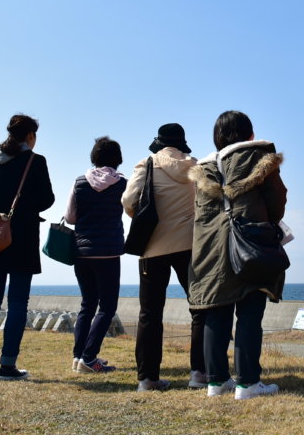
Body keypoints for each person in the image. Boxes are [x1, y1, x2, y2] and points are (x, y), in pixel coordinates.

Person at [188, 111, 287, 400]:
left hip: (210, 250)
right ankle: (248, 383)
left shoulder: (203, 168)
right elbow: (277, 201)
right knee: (249, 311)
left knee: (215, 313)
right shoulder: (259, 157)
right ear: (250, 134)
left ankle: (216, 382)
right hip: (249, 244)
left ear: (216, 138)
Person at [122, 123, 207, 392]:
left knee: (150, 313)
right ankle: (199, 373)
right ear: (182, 145)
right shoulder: (196, 167)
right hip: (190, 245)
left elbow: (128, 200)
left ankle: (147, 378)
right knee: (200, 308)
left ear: (159, 143)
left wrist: (142, 218)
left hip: (153, 246)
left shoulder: (146, 164)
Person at [0, 114, 55, 381]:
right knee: (18, 302)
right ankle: (8, 366)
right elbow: (47, 200)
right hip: (23, 239)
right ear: (30, 136)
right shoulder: (35, 161)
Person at [66, 136, 127, 374]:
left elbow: (70, 217)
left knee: (87, 305)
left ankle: (78, 356)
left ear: (94, 156)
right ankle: (89, 359)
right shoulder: (122, 183)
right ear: (118, 159)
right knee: (107, 307)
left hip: (82, 252)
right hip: (109, 253)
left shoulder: (79, 181)